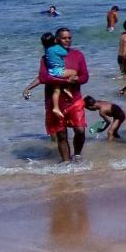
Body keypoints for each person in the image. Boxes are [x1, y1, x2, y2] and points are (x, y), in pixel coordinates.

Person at [32, 27, 89, 162]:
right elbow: (43, 77)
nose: (67, 40)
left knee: (80, 130)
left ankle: (77, 155)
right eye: (64, 38)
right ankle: (66, 163)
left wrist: (77, 79)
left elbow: (85, 76)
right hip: (55, 101)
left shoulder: (78, 55)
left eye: (69, 37)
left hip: (74, 98)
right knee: (61, 134)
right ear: (56, 39)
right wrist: (63, 80)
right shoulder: (46, 57)